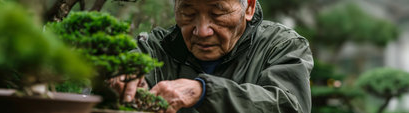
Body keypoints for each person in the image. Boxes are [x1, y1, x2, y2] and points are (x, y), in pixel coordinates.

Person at [110, 0, 313, 112]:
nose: (202, 31)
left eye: (218, 14)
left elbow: (289, 106)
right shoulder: (156, 47)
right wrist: (123, 84)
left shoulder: (281, 45)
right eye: (188, 13)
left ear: (249, 7)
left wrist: (204, 91)